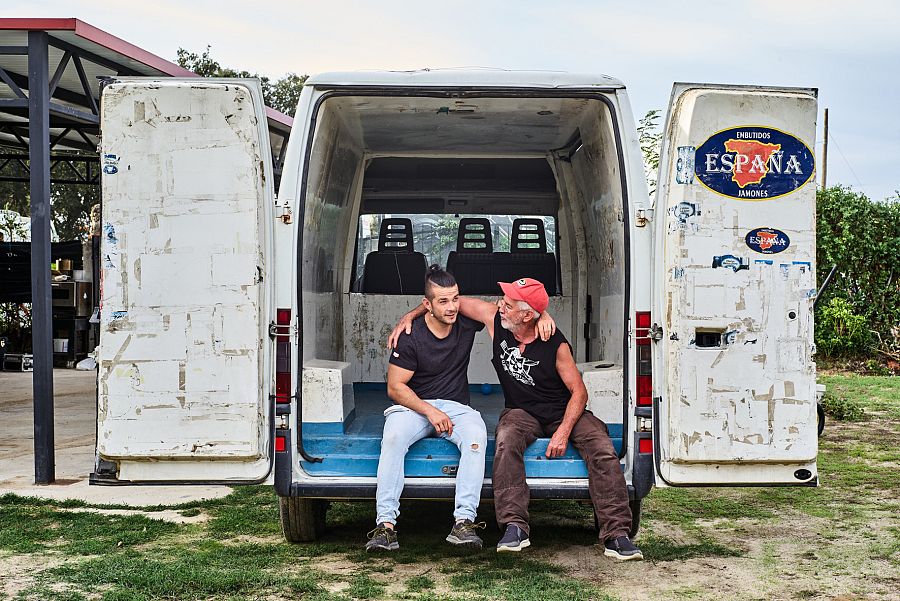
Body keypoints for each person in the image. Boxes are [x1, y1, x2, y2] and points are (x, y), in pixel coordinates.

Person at [389, 277, 642, 561]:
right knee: (506, 441)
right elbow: (450, 303)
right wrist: (410, 316)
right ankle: (515, 527)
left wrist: (563, 432)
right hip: (521, 411)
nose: (500, 306)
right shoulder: (496, 321)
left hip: (562, 410)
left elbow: (579, 393)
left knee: (602, 447)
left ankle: (617, 535)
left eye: (508, 305)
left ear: (526, 315)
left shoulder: (555, 343)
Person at [367, 266, 554, 553]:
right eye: (443, 301)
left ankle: (464, 522)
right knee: (392, 437)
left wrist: (544, 314)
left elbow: (513, 310)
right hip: (413, 407)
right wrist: (430, 411)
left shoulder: (464, 320)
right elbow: (395, 388)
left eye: (455, 299)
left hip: (456, 407)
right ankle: (385, 526)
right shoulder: (411, 334)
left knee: (476, 437)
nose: (452, 307)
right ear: (427, 304)